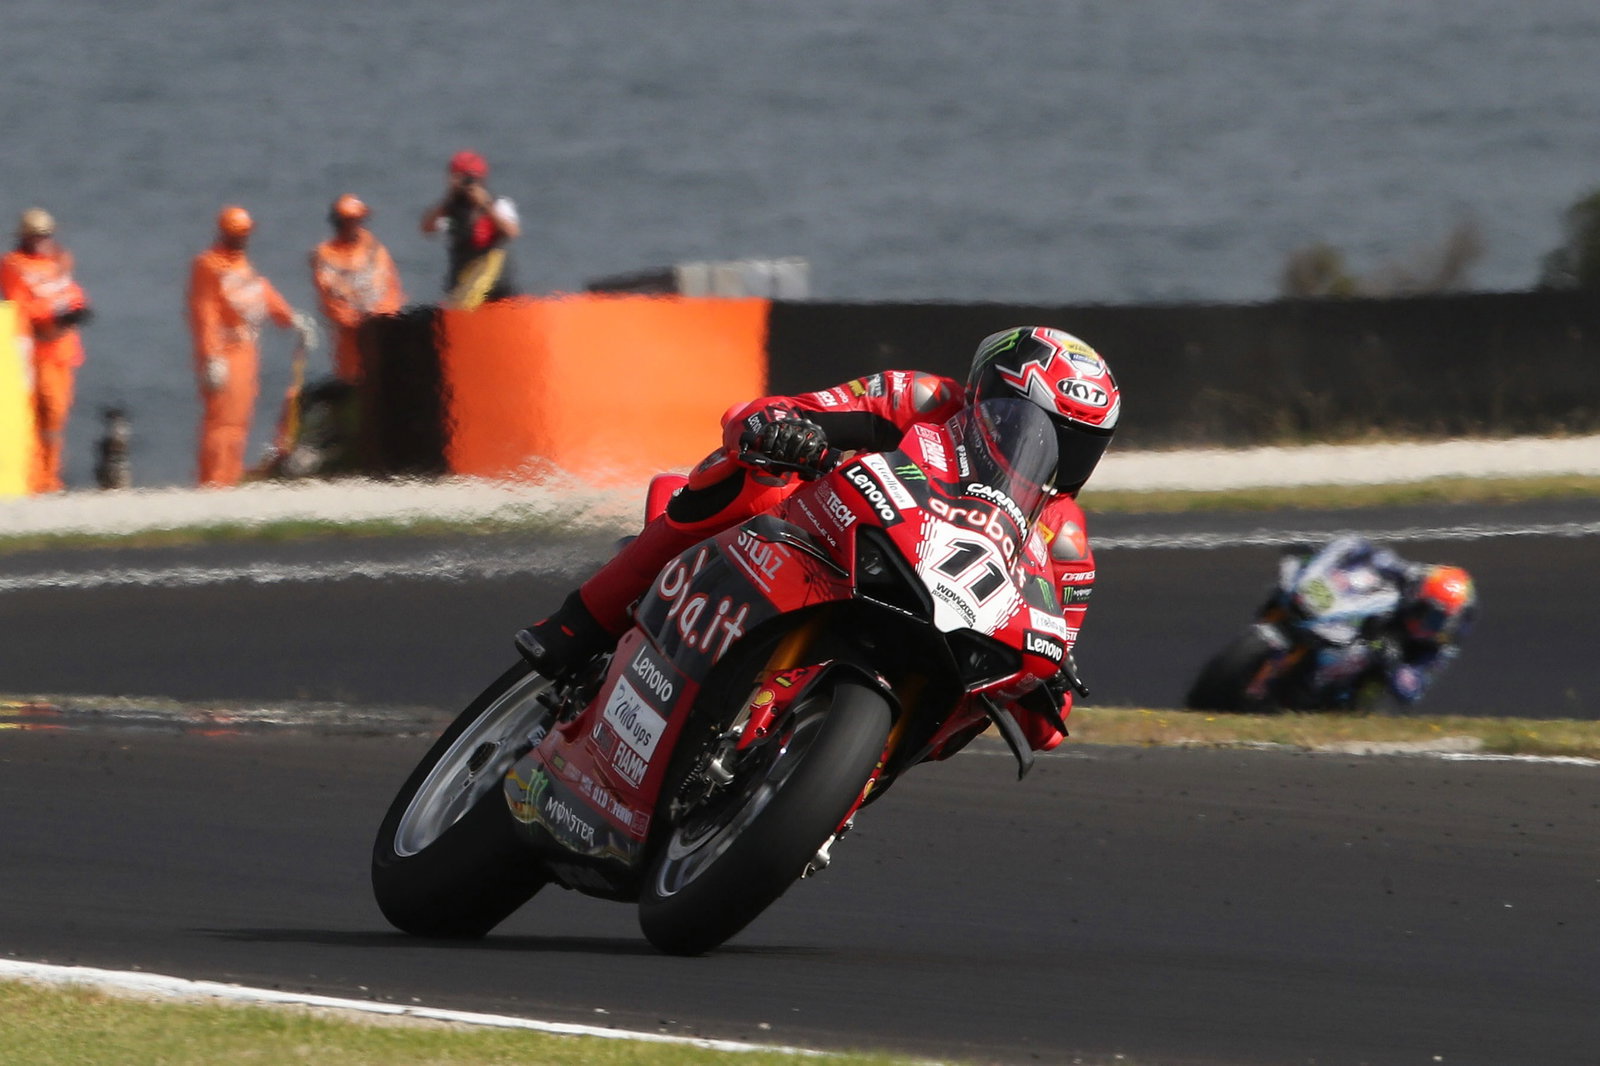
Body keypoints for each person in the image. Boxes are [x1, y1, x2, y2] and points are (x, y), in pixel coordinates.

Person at [515, 325, 1121, 752]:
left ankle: (831, 786)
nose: (1049, 451)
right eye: (1029, 423)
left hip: (937, 632)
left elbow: (1052, 701)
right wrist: (781, 431)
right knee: (748, 476)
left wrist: (1048, 686)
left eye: (1075, 444)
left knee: (984, 699)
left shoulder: (1063, 538)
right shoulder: (923, 400)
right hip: (832, 547)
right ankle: (580, 623)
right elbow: (773, 411)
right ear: (987, 393)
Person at [187, 205, 316, 488]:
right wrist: (212, 357)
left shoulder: (242, 265)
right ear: (225, 233)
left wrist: (291, 318)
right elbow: (205, 313)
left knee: (240, 421)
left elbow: (262, 294)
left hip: (247, 351)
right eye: (237, 233)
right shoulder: (208, 265)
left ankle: (231, 478)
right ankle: (213, 481)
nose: (243, 238)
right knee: (222, 422)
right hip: (225, 352)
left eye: (245, 233)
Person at [1276, 537, 1477, 707]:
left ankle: (1324, 695)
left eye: (1437, 619)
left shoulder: (1440, 642)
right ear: (1419, 595)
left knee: (1361, 666)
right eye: (1428, 613)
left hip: (1368, 669)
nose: (1428, 622)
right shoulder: (1416, 578)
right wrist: (1355, 553)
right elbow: (1381, 558)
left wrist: (1393, 664)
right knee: (1362, 578)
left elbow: (1413, 690)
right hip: (1363, 622)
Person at [1, 208, 92, 493]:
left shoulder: (59, 262)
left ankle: (51, 479)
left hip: (63, 350)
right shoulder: (13, 264)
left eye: (47, 235)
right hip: (36, 351)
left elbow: (74, 295)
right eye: (37, 235)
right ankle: (38, 480)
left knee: (56, 418)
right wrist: (50, 318)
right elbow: (21, 307)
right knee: (40, 415)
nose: (43, 240)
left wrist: (74, 312)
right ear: (25, 237)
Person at [310, 194, 405, 382]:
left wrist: (383, 316)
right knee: (353, 388)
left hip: (382, 333)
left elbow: (392, 287)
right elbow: (330, 302)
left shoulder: (374, 248)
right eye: (349, 221)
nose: (355, 226)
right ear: (338, 222)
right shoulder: (326, 256)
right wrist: (358, 320)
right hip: (350, 341)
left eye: (359, 220)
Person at [420, 150, 521, 308]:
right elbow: (427, 229)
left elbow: (512, 232)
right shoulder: (450, 208)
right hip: (462, 277)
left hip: (493, 277)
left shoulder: (498, 204)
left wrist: (486, 205)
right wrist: (448, 200)